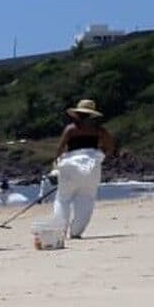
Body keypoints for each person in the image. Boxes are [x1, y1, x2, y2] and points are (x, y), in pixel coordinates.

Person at [48, 98, 117, 239]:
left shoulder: (71, 129)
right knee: (86, 199)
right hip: (91, 166)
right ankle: (76, 232)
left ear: (77, 114)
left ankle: (60, 231)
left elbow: (60, 149)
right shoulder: (99, 130)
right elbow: (110, 147)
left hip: (70, 165)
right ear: (92, 115)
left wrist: (54, 166)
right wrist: (101, 156)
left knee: (63, 199)